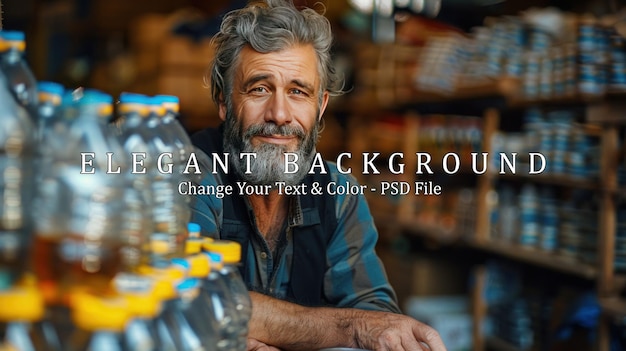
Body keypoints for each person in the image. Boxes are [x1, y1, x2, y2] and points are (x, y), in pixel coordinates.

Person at [190, 1, 447, 350]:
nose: (280, 114)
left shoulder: (339, 195)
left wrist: (263, 331)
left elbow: (377, 318)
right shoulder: (189, 173)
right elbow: (192, 301)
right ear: (224, 102)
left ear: (321, 105)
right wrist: (347, 329)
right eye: (259, 88)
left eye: (298, 92)